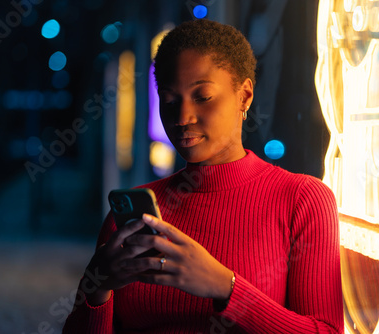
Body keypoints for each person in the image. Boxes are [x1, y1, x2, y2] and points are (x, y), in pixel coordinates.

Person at [63, 19, 343, 333]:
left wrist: (226, 287)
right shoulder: (130, 218)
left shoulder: (302, 199)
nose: (182, 118)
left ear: (245, 96)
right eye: (169, 101)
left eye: (203, 97)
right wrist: (95, 289)